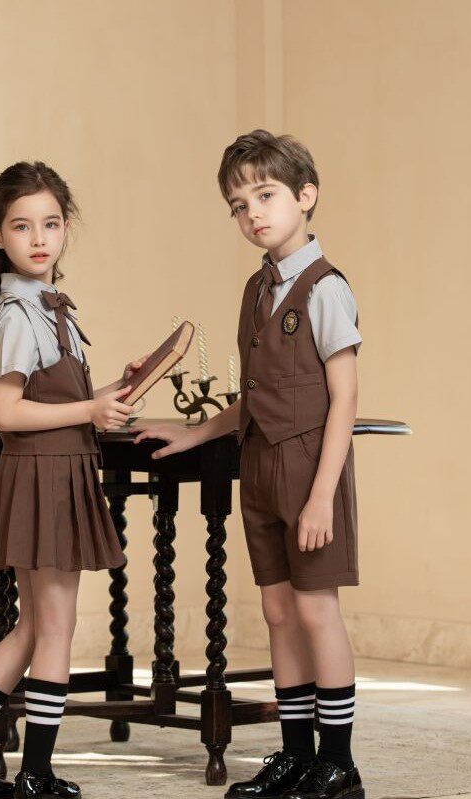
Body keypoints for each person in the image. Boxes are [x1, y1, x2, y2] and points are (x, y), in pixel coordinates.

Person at [134, 130, 364, 799]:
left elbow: (344, 398)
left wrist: (320, 497)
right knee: (278, 611)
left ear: (305, 195)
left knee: (316, 611)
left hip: (309, 471)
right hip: (259, 469)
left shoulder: (325, 289)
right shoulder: (256, 290)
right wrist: (195, 432)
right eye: (239, 205)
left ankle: (338, 762)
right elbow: (257, 396)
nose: (252, 213)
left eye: (265, 195)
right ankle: (294, 755)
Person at [0, 161, 146, 799]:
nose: (39, 238)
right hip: (44, 476)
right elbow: (9, 412)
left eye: (50, 224)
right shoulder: (22, 313)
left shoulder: (48, 309)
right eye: (22, 226)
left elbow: (56, 401)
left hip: (53, 473)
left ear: (66, 228)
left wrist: (111, 392)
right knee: (53, 629)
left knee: (30, 629)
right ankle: (36, 775)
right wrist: (90, 409)